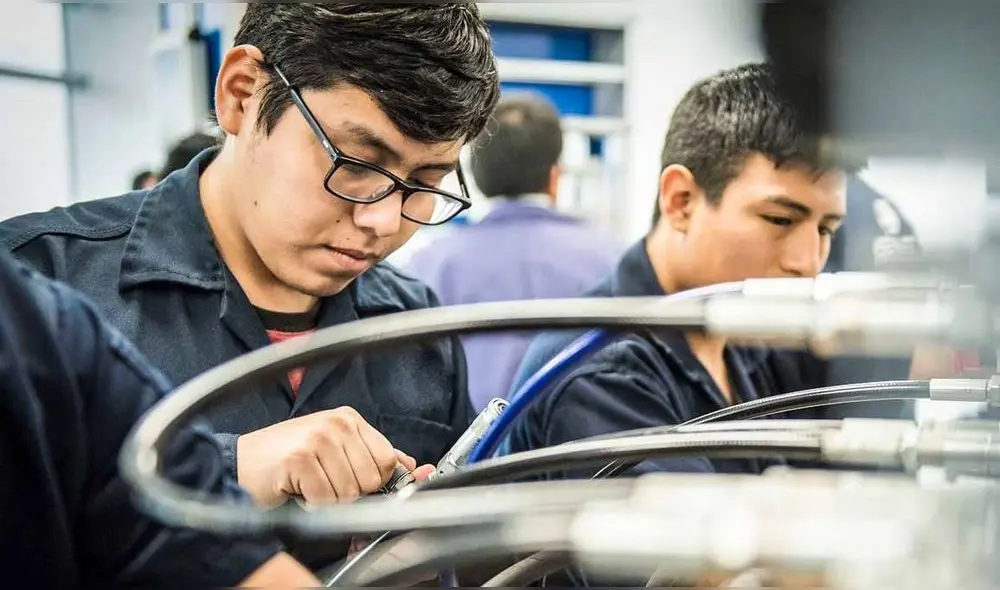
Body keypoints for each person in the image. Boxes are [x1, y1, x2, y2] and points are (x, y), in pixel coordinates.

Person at [0, 4, 498, 509]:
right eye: (356, 165)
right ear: (241, 93)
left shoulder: (416, 330)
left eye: (424, 183)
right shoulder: (33, 287)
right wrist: (221, 468)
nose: (385, 221)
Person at [502, 63, 928, 477]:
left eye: (826, 228)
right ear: (681, 200)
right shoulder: (601, 371)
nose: (808, 262)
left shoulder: (743, 343)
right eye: (780, 220)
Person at [0, 249, 319, 586]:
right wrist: (233, 465)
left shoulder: (49, 333)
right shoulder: (50, 264)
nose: (378, 222)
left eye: (383, 194)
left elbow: (215, 559)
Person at [405, 93, 622, 411]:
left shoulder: (428, 265)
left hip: (465, 454)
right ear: (554, 177)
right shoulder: (614, 260)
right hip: (586, 452)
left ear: (477, 178)